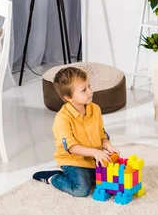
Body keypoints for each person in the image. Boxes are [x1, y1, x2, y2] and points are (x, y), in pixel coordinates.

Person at [32, 67, 120, 197]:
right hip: (73, 161)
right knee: (81, 190)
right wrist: (95, 152)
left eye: (89, 86)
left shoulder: (95, 109)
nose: (90, 92)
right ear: (69, 97)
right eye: (84, 90)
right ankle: (54, 177)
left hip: (92, 158)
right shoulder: (62, 119)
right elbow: (72, 148)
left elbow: (101, 135)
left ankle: (89, 176)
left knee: (113, 179)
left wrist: (107, 146)